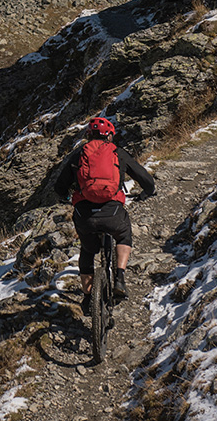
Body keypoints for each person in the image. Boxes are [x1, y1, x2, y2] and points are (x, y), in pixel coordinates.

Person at [53, 116, 155, 306]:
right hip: (112, 211)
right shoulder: (117, 152)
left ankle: (87, 298)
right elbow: (146, 180)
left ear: (89, 135)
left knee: (87, 249)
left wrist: (67, 198)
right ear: (109, 136)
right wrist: (147, 192)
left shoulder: (79, 154)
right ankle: (120, 279)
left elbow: (59, 187)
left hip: (85, 214)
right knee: (123, 235)